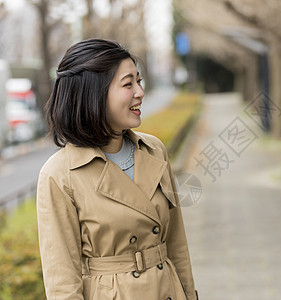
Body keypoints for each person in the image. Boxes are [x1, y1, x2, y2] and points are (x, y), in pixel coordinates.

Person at [37, 39, 197, 300]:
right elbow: (62, 282)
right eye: (128, 84)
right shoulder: (59, 174)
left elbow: (177, 244)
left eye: (139, 81)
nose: (140, 92)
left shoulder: (154, 150)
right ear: (94, 93)